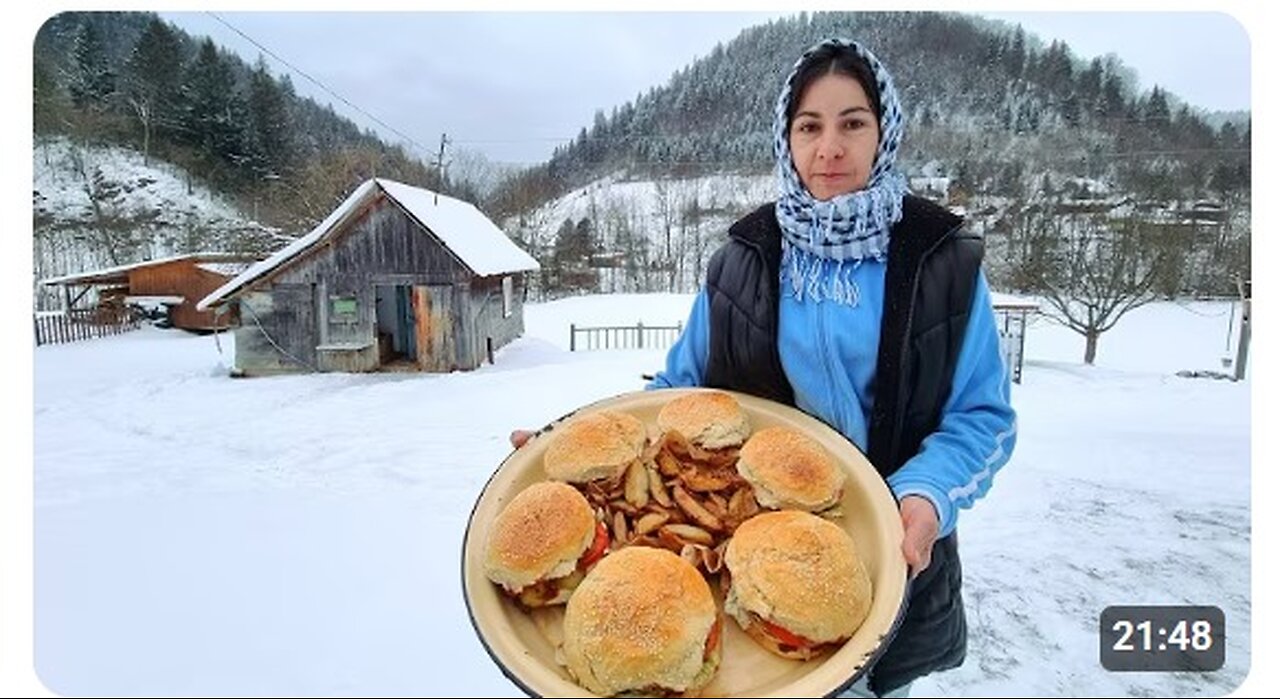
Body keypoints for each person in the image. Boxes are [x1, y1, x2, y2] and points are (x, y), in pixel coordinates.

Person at [645, 38, 1018, 696]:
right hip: (744, 570)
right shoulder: (742, 258)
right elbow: (679, 391)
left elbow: (980, 417)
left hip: (882, 559)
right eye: (809, 127)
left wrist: (924, 496)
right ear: (785, 139)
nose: (830, 148)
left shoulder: (941, 260)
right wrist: (588, 440)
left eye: (853, 123)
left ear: (885, 132)